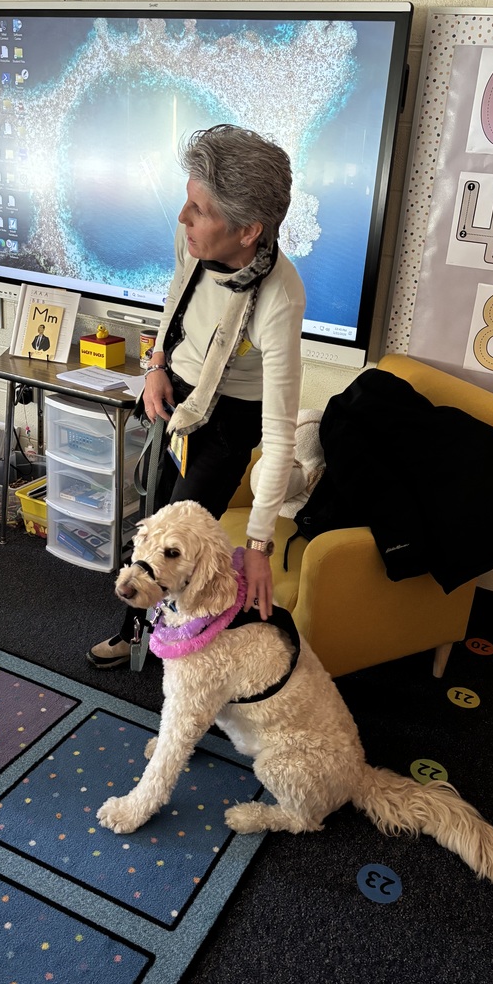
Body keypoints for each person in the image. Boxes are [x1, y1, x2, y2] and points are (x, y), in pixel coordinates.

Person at [87, 123, 306, 669]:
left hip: (230, 415)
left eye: (199, 210)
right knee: (151, 520)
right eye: (187, 201)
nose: (182, 217)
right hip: (175, 391)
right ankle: (137, 629)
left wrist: (259, 546)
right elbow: (176, 300)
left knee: (179, 545)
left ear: (248, 231)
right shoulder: (193, 241)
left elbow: (280, 438)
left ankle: (184, 651)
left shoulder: (279, 299)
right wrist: (156, 364)